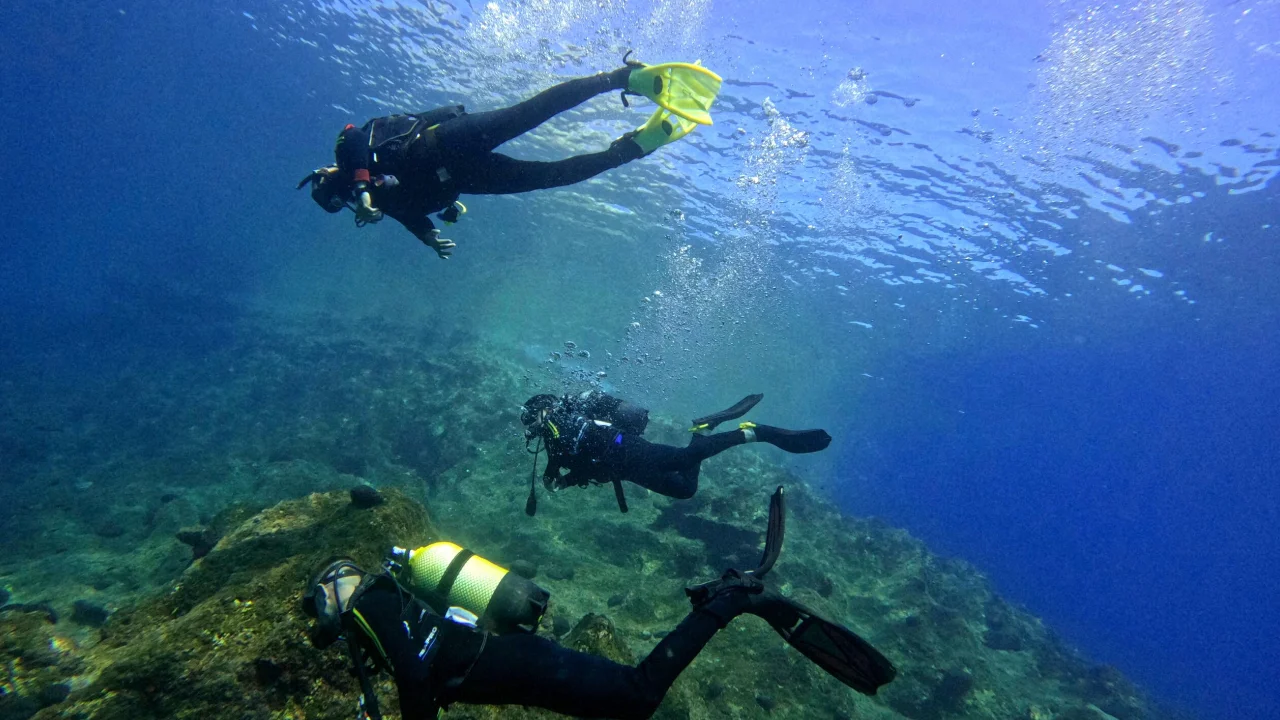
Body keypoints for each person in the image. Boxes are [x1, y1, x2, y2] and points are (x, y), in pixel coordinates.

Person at [302, 488, 895, 720]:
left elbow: (411, 674)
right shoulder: (376, 608)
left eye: (315, 602)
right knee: (625, 701)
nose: (317, 615)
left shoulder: (369, 604)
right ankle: (725, 600)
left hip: (514, 665)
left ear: (336, 582)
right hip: (509, 662)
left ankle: (730, 601)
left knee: (636, 696)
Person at [296, 56, 721, 258]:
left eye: (340, 188)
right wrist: (427, 237)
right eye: (347, 202)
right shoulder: (379, 200)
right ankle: (634, 147)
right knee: (552, 176)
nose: (353, 199)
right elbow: (409, 213)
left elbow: (353, 140)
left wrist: (361, 186)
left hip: (444, 143)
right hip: (468, 177)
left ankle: (626, 78)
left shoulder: (349, 152)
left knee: (529, 113)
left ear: (331, 175)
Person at [519, 391, 831, 514]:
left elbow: (582, 447)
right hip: (626, 471)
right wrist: (556, 482)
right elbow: (571, 466)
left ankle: (753, 433)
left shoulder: (562, 424)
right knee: (685, 489)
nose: (531, 428)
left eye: (533, 419)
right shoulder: (554, 442)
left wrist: (559, 476)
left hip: (629, 450)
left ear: (545, 411)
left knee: (684, 459)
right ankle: (705, 427)